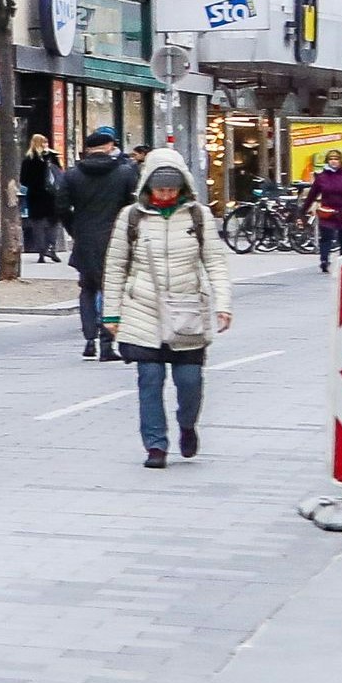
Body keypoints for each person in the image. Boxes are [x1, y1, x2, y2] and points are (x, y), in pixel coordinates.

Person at [104, 154, 230, 468]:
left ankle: (187, 425)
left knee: (189, 382)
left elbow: (215, 263)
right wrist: (111, 313)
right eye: (160, 190)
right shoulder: (131, 217)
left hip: (186, 310)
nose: (165, 195)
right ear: (148, 186)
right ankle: (155, 446)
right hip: (142, 309)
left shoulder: (197, 217)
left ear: (182, 186)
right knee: (149, 378)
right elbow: (116, 266)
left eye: (171, 190)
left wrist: (223, 304)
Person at [56, 128, 138, 364]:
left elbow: (61, 206)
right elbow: (134, 207)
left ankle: (89, 339)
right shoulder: (125, 173)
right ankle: (107, 343)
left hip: (85, 239)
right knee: (111, 289)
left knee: (87, 288)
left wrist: (75, 230)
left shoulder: (72, 174)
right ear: (110, 146)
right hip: (116, 238)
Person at [18, 138, 65, 266]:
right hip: (52, 196)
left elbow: (23, 180)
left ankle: (41, 252)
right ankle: (51, 248)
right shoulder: (52, 157)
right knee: (54, 222)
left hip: (35, 196)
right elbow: (60, 175)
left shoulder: (28, 159)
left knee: (37, 224)